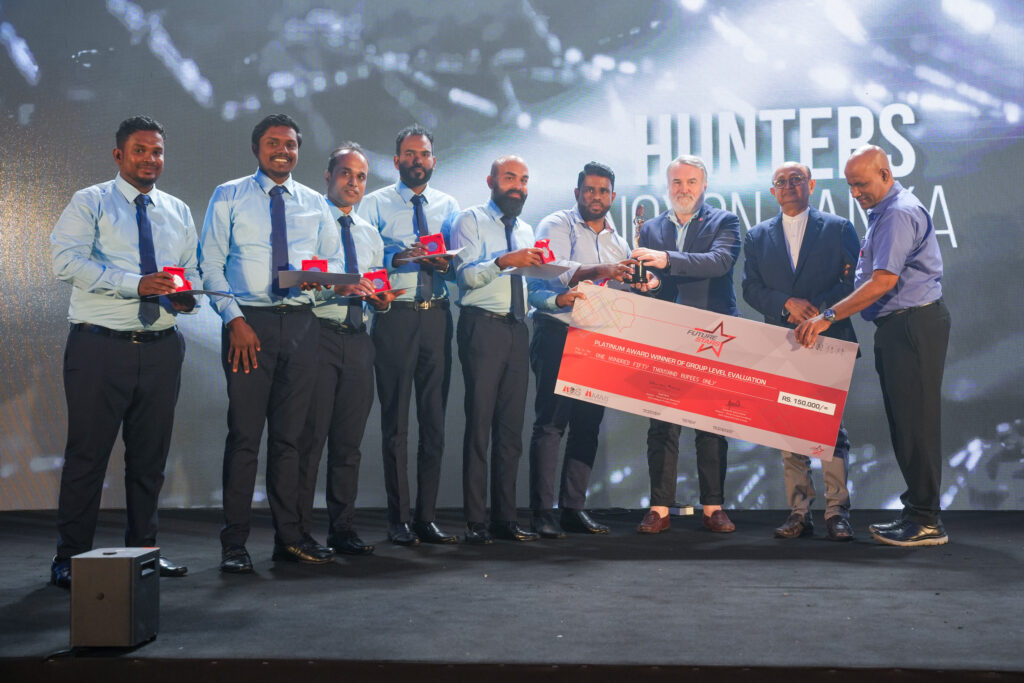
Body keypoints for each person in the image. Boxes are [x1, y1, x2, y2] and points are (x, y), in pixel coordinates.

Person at [49, 115, 195, 587]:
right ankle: (70, 558)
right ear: (118, 155)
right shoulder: (90, 201)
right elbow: (65, 261)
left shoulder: (177, 210)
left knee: (150, 460)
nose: (150, 159)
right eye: (140, 150)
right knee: (87, 458)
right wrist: (135, 284)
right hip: (100, 346)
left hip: (162, 348)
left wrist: (186, 295)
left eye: (157, 151)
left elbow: (188, 268)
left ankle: (144, 553)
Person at [200, 114, 343, 572]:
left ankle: (290, 539)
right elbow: (210, 266)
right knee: (245, 437)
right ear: (256, 148)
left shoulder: (315, 204)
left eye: (290, 144)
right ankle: (234, 545)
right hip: (249, 325)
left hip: (301, 326)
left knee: (290, 440)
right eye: (273, 143)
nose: (283, 151)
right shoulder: (229, 195)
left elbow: (329, 264)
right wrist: (234, 320)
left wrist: (319, 282)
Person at [796, 145, 951, 547]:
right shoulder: (884, 210)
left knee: (916, 425)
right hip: (902, 326)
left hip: (912, 326)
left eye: (861, 184)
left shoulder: (897, 213)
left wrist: (827, 316)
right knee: (905, 423)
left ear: (885, 174)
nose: (855, 193)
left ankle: (927, 521)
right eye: (850, 185)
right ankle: (917, 513)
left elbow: (883, 281)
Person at [526, 161, 646, 538]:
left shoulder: (618, 241)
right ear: (577, 192)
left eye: (603, 191)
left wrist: (641, 284)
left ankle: (573, 508)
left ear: (613, 196)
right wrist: (603, 270)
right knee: (551, 424)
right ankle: (542, 512)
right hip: (558, 332)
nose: (596, 196)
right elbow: (557, 271)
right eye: (590, 190)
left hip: (598, 338)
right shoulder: (555, 224)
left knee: (587, 426)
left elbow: (623, 292)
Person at [295, 144, 404, 557]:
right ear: (328, 176)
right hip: (318, 336)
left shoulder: (369, 233)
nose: (353, 183)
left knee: (348, 443)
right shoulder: (309, 222)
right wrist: (334, 286)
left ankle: (342, 530)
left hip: (359, 339)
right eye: (345, 173)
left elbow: (375, 286)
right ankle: (298, 534)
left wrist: (383, 301)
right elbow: (300, 281)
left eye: (360, 177)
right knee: (310, 442)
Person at [742, 162, 860, 541]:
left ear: (811, 184)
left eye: (796, 180)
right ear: (772, 191)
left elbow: (854, 281)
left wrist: (817, 312)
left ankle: (837, 512)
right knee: (789, 430)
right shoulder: (757, 236)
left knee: (830, 428)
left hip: (828, 337)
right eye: (781, 182)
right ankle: (799, 512)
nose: (789, 186)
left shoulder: (838, 228)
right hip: (781, 341)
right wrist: (785, 304)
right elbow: (750, 288)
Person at [358, 125, 460, 546]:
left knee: (434, 421)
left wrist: (445, 264)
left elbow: (460, 265)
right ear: (397, 159)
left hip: (436, 316)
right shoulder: (373, 203)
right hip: (395, 318)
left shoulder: (450, 206)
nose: (418, 160)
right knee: (396, 422)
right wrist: (396, 257)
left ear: (434, 160)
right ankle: (398, 519)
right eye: (410, 154)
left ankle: (426, 518)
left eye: (424, 154)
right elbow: (363, 261)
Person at [631, 155, 741, 534]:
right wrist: (649, 285)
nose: (684, 189)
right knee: (662, 424)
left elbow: (719, 262)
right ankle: (659, 508)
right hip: (665, 336)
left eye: (691, 182)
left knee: (711, 423)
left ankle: (713, 507)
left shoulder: (724, 221)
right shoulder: (650, 229)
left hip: (711, 336)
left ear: (704, 185)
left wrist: (665, 259)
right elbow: (657, 285)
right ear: (668, 186)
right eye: (677, 182)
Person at [449, 155, 544, 544]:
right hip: (482, 328)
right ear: (491, 181)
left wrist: (556, 296)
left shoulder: (526, 228)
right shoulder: (469, 220)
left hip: (518, 329)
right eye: (510, 178)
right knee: (480, 427)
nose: (518, 186)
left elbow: (529, 285)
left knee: (510, 430)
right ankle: (476, 521)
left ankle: (506, 518)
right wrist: (505, 260)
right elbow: (467, 277)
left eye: (524, 179)